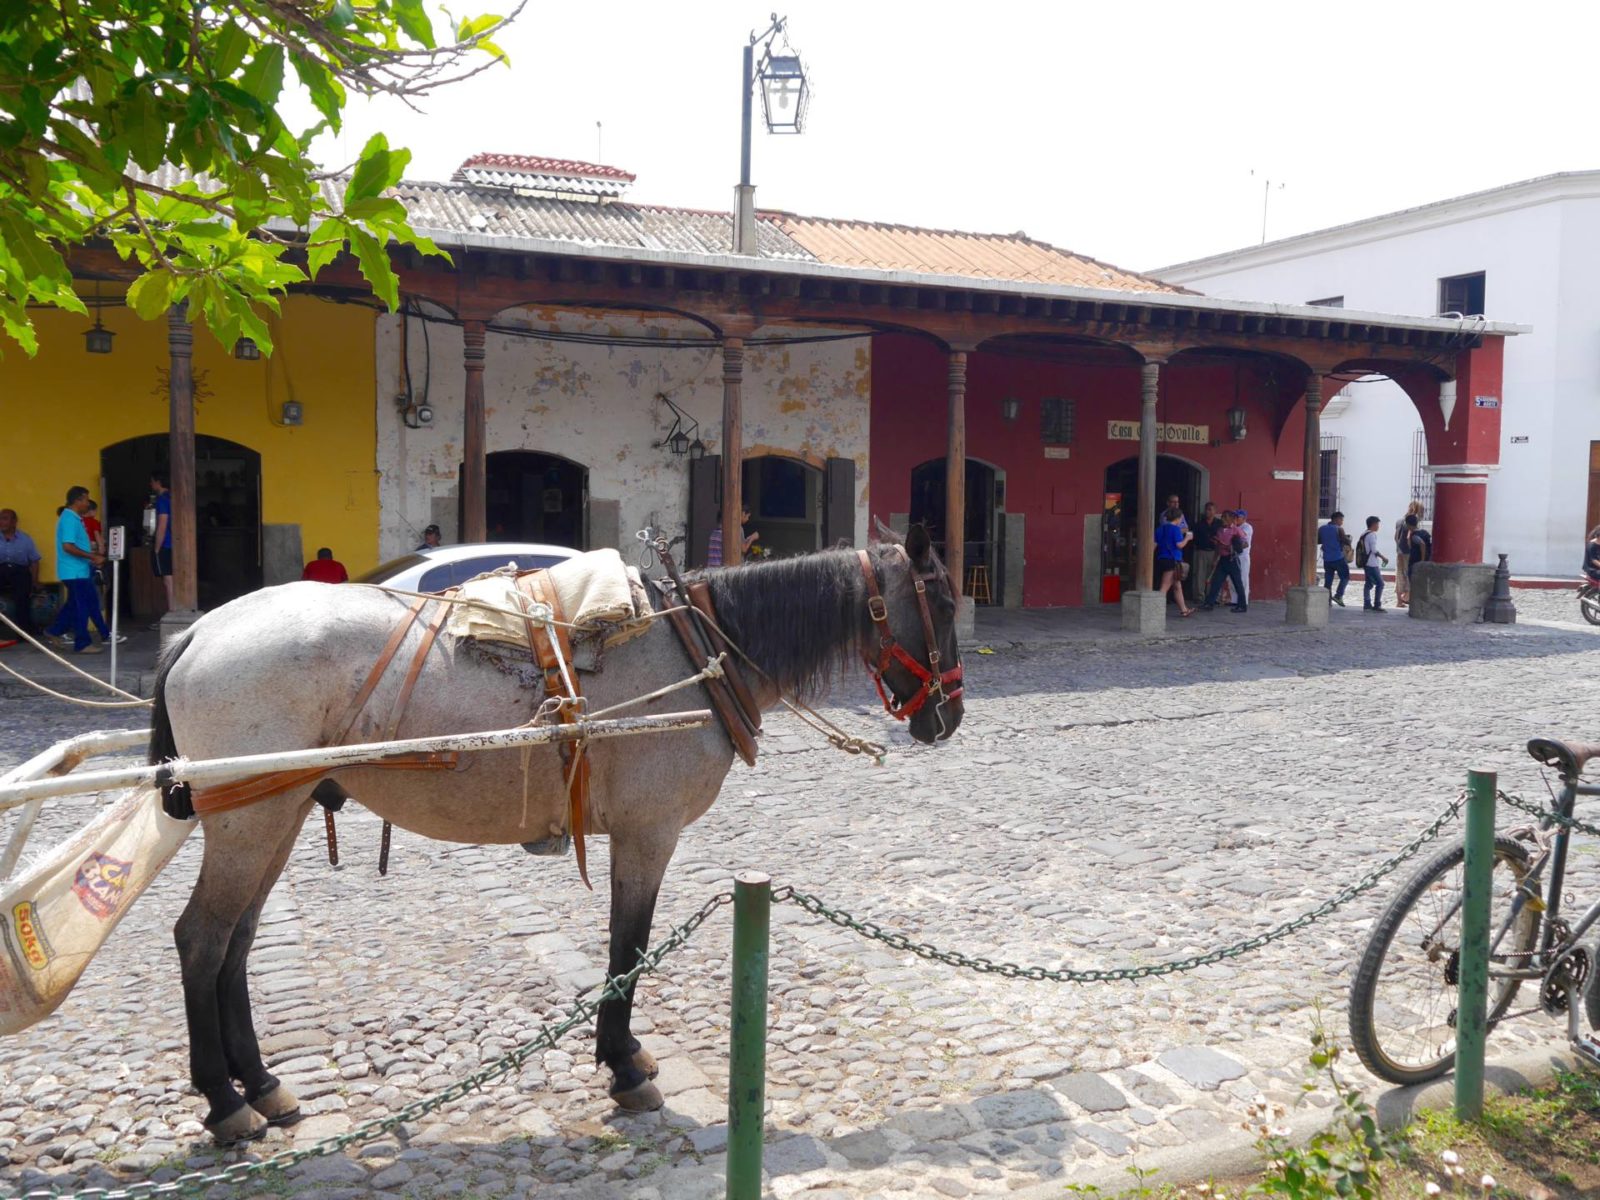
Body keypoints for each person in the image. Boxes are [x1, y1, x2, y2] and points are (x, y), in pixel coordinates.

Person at [43, 487, 107, 654]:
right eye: (86, 500)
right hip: (74, 572)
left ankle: (55, 630)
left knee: (74, 604)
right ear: (77, 501)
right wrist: (92, 557)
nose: (87, 503)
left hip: (78, 570)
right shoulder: (70, 519)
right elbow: (68, 546)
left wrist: (90, 558)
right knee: (81, 607)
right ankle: (82, 643)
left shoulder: (73, 518)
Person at [0, 509, 41, 639]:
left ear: (14, 522)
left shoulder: (25, 539)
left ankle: (23, 632)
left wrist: (35, 581)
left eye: (5, 518)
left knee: (22, 596)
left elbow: (34, 561)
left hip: (19, 571)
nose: (1, 522)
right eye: (1, 518)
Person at [1200, 509, 1248, 613]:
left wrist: (1233, 547)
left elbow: (1245, 543)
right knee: (1216, 582)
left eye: (1225, 517)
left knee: (1237, 583)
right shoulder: (1220, 530)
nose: (1223, 519)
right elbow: (1218, 546)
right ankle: (1209, 603)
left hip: (1232, 559)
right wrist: (1215, 559)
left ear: (1231, 519)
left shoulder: (1236, 530)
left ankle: (1242, 605)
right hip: (1222, 559)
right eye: (1222, 517)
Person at [1154, 511, 1194, 617]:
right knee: (1165, 587)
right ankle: (1155, 610)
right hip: (1172, 560)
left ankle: (1184, 610)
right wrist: (1187, 538)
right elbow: (1179, 545)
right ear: (1178, 518)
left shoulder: (1159, 529)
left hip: (1161, 558)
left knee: (1177, 586)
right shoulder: (1176, 530)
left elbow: (1154, 545)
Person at [150, 471, 174, 614]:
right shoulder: (174, 496)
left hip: (167, 543)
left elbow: (162, 524)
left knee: (168, 580)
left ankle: (172, 611)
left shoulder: (162, 500)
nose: (151, 484)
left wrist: (157, 548)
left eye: (152, 481)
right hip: (178, 543)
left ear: (158, 482)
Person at [1190, 502, 1222, 605]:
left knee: (1213, 574)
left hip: (1214, 551)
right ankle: (1200, 596)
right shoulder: (1199, 524)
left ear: (1214, 511)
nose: (1208, 512)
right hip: (1202, 551)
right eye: (1207, 509)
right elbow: (1194, 537)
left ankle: (1211, 596)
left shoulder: (1219, 524)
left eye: (1210, 509)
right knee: (1200, 574)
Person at [1394, 500, 1424, 608]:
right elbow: (1408, 538)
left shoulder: (1399, 521)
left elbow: (1396, 537)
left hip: (1399, 552)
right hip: (1408, 553)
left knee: (1400, 575)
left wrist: (1399, 549)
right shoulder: (1413, 521)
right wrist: (1411, 548)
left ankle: (1399, 601)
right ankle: (1406, 597)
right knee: (1409, 574)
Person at [1318, 511, 1350, 607]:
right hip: (1338, 558)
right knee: (1345, 577)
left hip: (1327, 559)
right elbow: (1346, 541)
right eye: (1341, 520)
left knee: (1328, 581)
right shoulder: (1339, 529)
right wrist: (1348, 539)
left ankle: (1327, 601)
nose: (1342, 522)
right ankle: (1338, 595)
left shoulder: (1321, 529)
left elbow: (1318, 541)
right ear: (1337, 519)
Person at [1359, 515, 1391, 612]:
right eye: (1377, 524)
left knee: (1368, 584)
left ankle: (1367, 604)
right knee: (1380, 584)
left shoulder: (1364, 534)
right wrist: (1383, 558)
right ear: (1373, 524)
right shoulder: (1372, 535)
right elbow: (1374, 550)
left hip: (1366, 562)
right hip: (1372, 563)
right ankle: (1377, 604)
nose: (1378, 526)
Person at [1405, 514, 1432, 589]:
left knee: (1414, 583)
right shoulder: (1424, 532)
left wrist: (1422, 561)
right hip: (1426, 561)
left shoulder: (1415, 536)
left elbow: (1422, 544)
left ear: (1408, 524)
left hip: (1416, 563)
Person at [1234, 508, 1254, 604]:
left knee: (1243, 578)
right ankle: (1234, 600)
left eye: (1238, 517)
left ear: (1244, 518)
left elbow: (1241, 535)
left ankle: (1243, 600)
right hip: (1234, 555)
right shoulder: (1235, 526)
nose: (1236, 518)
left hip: (1243, 556)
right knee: (1232, 578)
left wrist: (1232, 526)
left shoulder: (1247, 527)